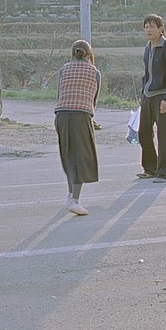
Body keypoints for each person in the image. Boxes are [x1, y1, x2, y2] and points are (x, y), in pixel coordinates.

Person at [55, 39, 101, 215]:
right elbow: (93, 101)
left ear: (72, 53)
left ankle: (70, 195)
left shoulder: (63, 70)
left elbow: (60, 95)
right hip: (81, 116)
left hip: (61, 115)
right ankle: (75, 200)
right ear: (89, 55)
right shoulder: (95, 72)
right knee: (81, 158)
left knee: (68, 156)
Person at [136, 13, 166, 183]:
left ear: (161, 29)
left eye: (152, 27)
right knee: (143, 133)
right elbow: (146, 74)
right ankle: (151, 168)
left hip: (162, 95)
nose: (148, 30)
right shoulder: (148, 47)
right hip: (148, 96)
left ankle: (164, 173)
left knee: (163, 135)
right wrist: (143, 94)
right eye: (146, 27)